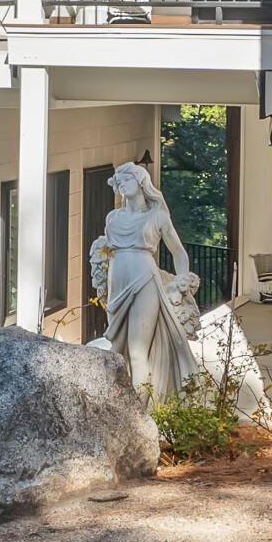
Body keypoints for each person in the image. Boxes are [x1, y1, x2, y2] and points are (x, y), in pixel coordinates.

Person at [87, 162, 201, 399]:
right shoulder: (113, 217)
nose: (121, 185)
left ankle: (140, 414)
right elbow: (107, 251)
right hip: (117, 283)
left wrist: (181, 282)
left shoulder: (157, 216)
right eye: (118, 183)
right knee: (118, 348)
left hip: (144, 280)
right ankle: (115, 403)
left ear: (140, 182)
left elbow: (179, 253)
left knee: (139, 352)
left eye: (125, 180)